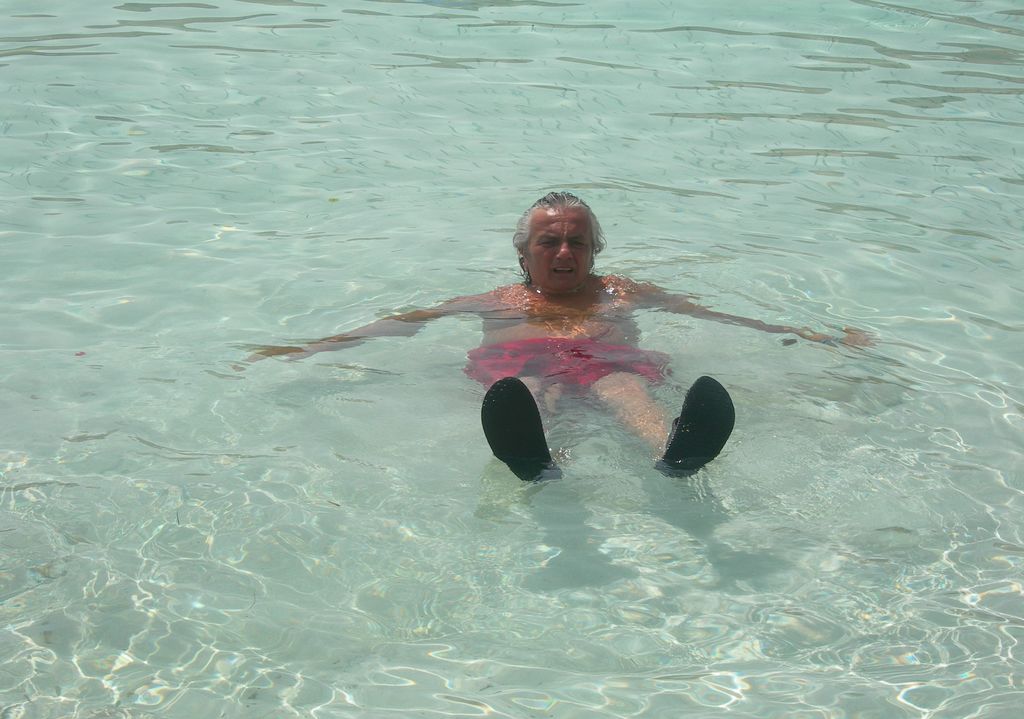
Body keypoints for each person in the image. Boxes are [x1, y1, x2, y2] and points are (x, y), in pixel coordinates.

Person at [251, 192, 871, 481]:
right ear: (524, 253)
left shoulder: (622, 292)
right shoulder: (496, 301)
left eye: (578, 241)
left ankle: (675, 455)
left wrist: (810, 336)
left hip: (606, 358)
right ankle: (535, 460)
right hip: (520, 363)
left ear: (596, 249)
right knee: (527, 389)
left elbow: (716, 315)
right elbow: (405, 322)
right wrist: (313, 350)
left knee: (625, 389)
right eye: (549, 241)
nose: (565, 251)